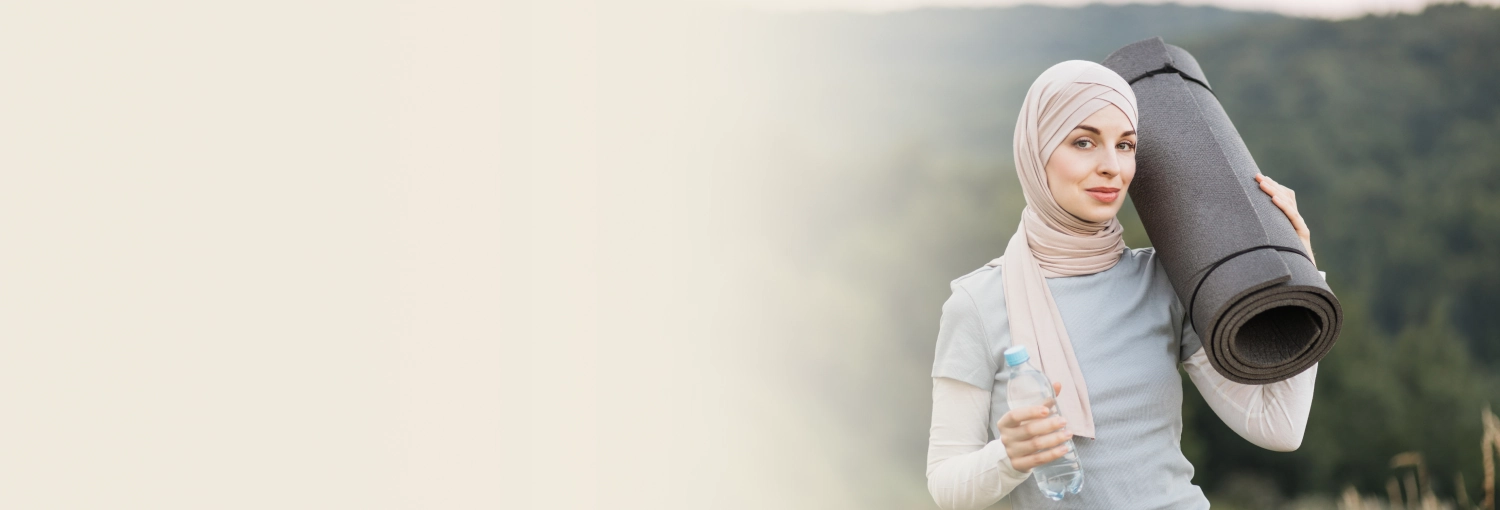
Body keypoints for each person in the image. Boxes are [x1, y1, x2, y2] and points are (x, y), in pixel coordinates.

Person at [924, 60, 1322, 510]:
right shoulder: (977, 304)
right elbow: (946, 485)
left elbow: (1279, 426)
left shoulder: (1166, 280)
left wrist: (1302, 270)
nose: (1112, 167)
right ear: (1036, 152)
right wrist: (1010, 456)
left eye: (1126, 144)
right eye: (1083, 142)